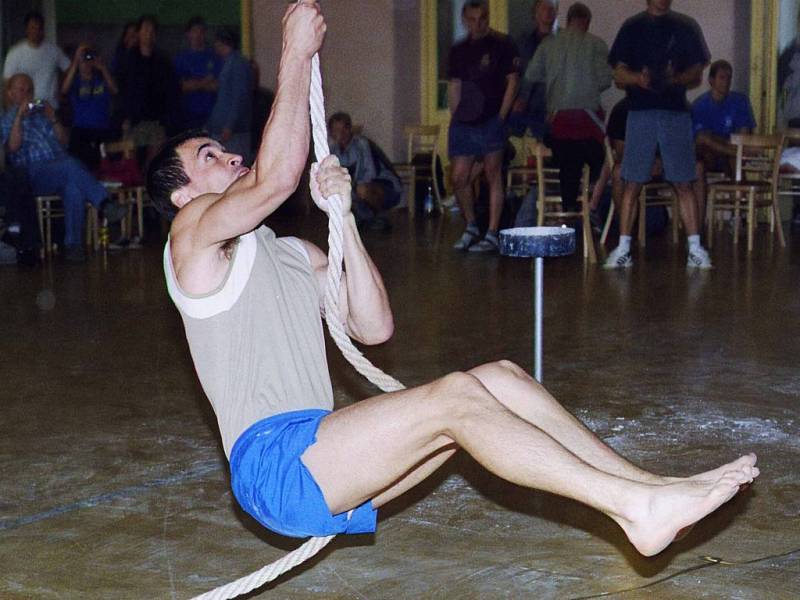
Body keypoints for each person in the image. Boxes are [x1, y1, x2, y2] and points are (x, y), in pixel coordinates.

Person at [147, 0, 758, 559]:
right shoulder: (191, 241)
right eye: (209, 158)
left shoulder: (288, 252)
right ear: (183, 197)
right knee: (455, 400)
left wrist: (346, 222)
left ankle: (650, 490)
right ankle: (636, 509)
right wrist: (295, 53)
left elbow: (374, 325)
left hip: (327, 452)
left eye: (224, 150)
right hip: (276, 463)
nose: (229, 155)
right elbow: (275, 179)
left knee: (501, 380)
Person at [604, 0, 711, 270]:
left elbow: (697, 73)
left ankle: (696, 249)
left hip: (675, 113)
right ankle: (624, 248)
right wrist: (637, 79)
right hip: (640, 112)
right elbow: (617, 73)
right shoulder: (632, 27)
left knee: (684, 182)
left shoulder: (685, 27)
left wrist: (676, 79)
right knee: (631, 181)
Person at [0, 74, 125, 263]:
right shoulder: (8, 118)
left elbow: (65, 142)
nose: (26, 94)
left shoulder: (42, 116)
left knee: (73, 186)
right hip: (31, 172)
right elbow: (13, 147)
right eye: (21, 89)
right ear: (10, 93)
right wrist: (19, 116)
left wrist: (53, 118)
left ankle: (73, 245)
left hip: (60, 167)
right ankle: (105, 203)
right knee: (70, 166)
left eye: (29, 90)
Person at [523, 2, 610, 213]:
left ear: (568, 20)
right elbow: (606, 80)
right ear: (586, 22)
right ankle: (593, 208)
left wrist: (553, 78)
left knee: (567, 163)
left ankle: (568, 206)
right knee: (603, 164)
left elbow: (531, 75)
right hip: (588, 121)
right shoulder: (596, 44)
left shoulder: (548, 44)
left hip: (559, 121)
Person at [448, 1, 520, 253]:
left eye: (482, 18)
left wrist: (501, 116)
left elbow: (512, 82)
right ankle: (471, 226)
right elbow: (455, 84)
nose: (477, 24)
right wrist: (455, 115)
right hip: (464, 121)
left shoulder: (502, 44)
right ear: (464, 19)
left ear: (487, 18)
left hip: (492, 119)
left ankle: (492, 232)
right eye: (472, 19)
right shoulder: (458, 50)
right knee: (459, 177)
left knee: (492, 172)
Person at [116, 15, 178, 164]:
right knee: (130, 163)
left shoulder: (162, 61)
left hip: (157, 120)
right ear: (138, 33)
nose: (148, 34)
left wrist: (167, 122)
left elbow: (170, 92)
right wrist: (124, 117)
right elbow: (122, 90)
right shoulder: (128, 60)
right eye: (145, 30)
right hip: (134, 120)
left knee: (154, 163)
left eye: (152, 31)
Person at [328, 111, 402, 230]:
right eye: (335, 130)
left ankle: (380, 216)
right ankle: (363, 219)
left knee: (362, 189)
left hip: (386, 187)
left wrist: (351, 188)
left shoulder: (361, 144)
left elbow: (370, 174)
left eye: (343, 129)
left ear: (348, 129)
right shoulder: (333, 151)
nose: (340, 133)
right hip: (355, 190)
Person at [61, 43, 118, 171]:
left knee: (103, 165)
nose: (86, 64)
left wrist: (102, 68)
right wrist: (75, 62)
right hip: (81, 129)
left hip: (101, 129)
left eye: (88, 59)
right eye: (83, 61)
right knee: (79, 165)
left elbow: (114, 90)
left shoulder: (101, 80)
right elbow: (64, 90)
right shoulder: (75, 82)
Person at [691, 60, 756, 173]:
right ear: (711, 80)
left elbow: (743, 134)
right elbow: (701, 139)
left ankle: (739, 188)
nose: (726, 81)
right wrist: (727, 145)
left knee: (742, 152)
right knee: (704, 145)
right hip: (712, 154)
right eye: (722, 77)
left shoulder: (740, 100)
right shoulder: (700, 105)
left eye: (729, 77)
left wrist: (719, 141)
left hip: (732, 148)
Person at [2, 11, 70, 109]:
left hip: (49, 107)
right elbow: (7, 84)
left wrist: (61, 90)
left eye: (39, 28)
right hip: (25, 109)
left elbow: (68, 69)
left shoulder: (54, 51)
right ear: (26, 30)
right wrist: (9, 110)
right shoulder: (15, 53)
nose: (36, 32)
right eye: (33, 28)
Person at [508, 0, 556, 138]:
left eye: (551, 9)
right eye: (544, 9)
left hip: (548, 104)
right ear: (535, 13)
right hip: (524, 102)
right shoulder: (523, 42)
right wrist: (515, 99)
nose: (548, 12)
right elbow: (515, 73)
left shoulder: (562, 42)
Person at [206, 27, 253, 164]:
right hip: (223, 127)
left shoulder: (238, 64)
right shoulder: (228, 63)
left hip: (234, 131)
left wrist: (229, 125)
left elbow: (238, 97)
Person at [174, 17, 221, 131]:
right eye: (194, 31)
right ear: (188, 34)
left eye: (201, 31)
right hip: (188, 113)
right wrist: (205, 82)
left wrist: (194, 83)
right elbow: (181, 86)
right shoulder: (181, 59)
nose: (198, 35)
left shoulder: (214, 57)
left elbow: (217, 85)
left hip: (211, 114)